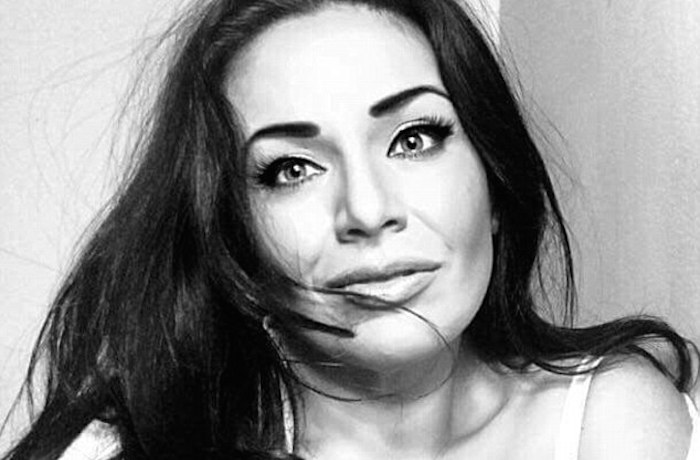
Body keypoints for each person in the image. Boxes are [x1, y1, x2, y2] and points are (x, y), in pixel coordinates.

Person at [2, 0, 699, 459]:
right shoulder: (140, 447)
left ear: (494, 178)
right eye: (292, 169)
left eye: (414, 139)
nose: (366, 210)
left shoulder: (611, 419)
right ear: (233, 235)